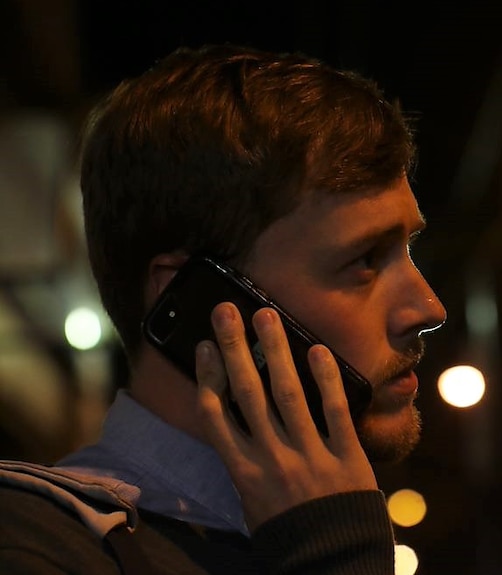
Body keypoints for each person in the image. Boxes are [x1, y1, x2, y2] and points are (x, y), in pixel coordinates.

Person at [0, 43, 447, 574]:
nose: (428, 307)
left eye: (408, 249)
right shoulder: (34, 545)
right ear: (191, 300)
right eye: (364, 260)